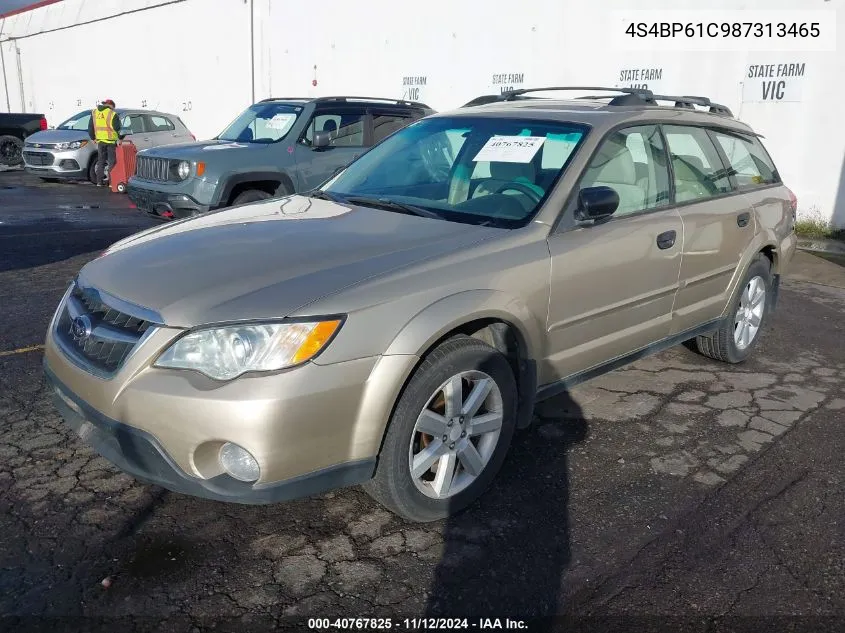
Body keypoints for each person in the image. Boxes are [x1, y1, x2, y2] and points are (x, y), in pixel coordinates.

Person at [87, 99, 122, 187]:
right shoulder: (112, 114)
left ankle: (99, 182)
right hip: (110, 141)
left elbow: (90, 127)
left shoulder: (94, 113)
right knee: (112, 162)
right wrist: (120, 138)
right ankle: (111, 182)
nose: (113, 109)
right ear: (111, 105)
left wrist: (93, 138)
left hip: (100, 141)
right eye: (113, 108)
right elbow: (117, 128)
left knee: (101, 161)